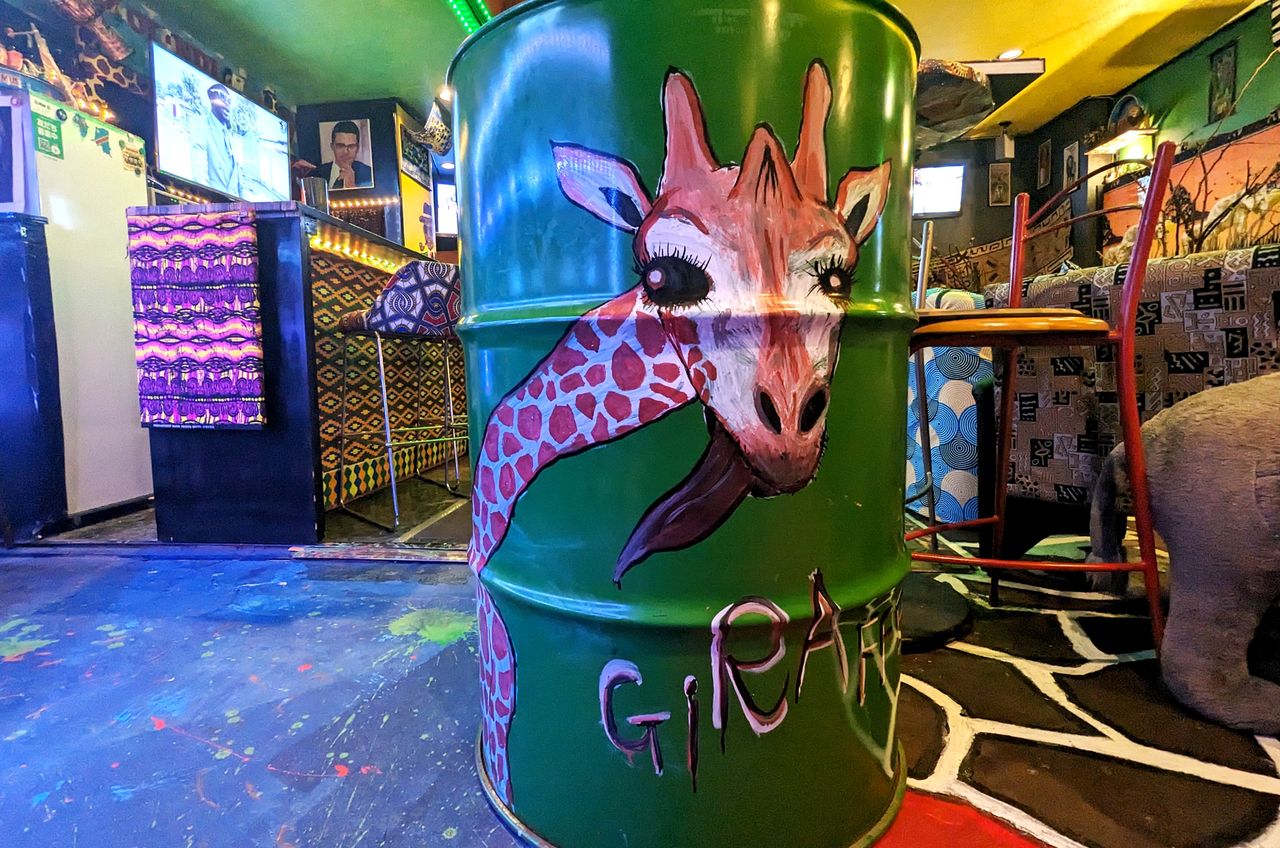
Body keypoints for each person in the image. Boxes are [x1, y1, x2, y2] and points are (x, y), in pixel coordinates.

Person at [192, 83, 243, 198]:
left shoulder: (231, 137)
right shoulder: (201, 127)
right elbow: (199, 176)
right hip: (212, 204)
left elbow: (240, 182)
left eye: (229, 101)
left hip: (235, 207)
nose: (227, 105)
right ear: (212, 100)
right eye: (223, 99)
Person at [312, 120, 373, 189]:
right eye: (340, 146)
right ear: (332, 146)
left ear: (357, 148)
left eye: (351, 146)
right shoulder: (317, 173)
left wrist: (352, 187)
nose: (346, 152)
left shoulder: (369, 174)